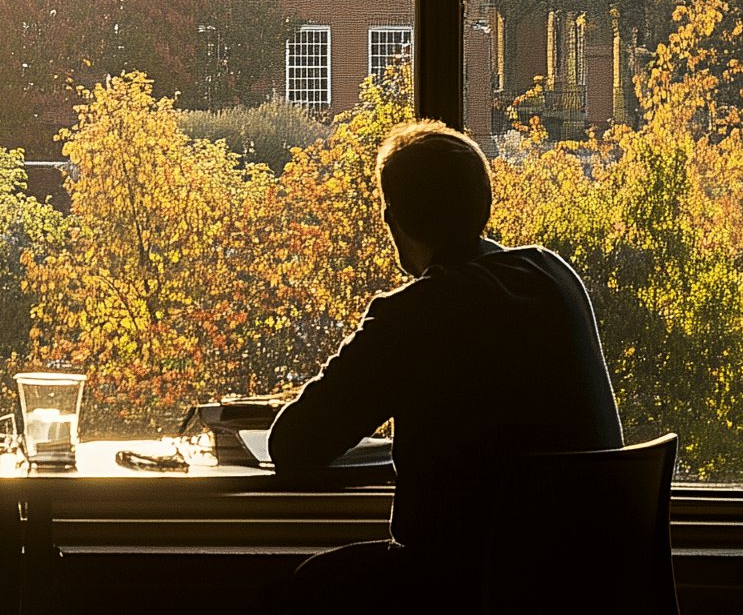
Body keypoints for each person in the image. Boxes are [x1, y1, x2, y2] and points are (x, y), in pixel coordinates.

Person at [267, 119, 623, 597]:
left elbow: (293, 445)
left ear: (393, 219)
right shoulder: (553, 276)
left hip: (468, 584)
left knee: (308, 589)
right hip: (588, 580)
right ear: (484, 203)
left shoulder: (413, 315)